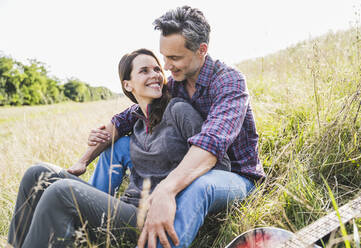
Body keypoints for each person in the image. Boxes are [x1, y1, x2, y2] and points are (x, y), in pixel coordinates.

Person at [70, 5, 266, 248]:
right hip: (191, 165)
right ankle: (90, 220)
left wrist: (166, 190)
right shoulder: (175, 84)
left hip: (232, 174)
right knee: (120, 145)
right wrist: (83, 160)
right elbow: (127, 118)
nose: (166, 66)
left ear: (201, 50)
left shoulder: (229, 81)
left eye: (174, 58)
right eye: (164, 57)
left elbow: (212, 144)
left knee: (199, 186)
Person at [8, 48, 228, 247]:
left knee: (62, 192)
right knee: (37, 173)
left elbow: (216, 161)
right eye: (144, 71)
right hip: (124, 207)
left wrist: (174, 194)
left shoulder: (179, 110)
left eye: (156, 69)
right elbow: (113, 127)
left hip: (149, 215)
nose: (154, 75)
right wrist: (83, 161)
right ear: (127, 85)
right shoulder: (137, 120)